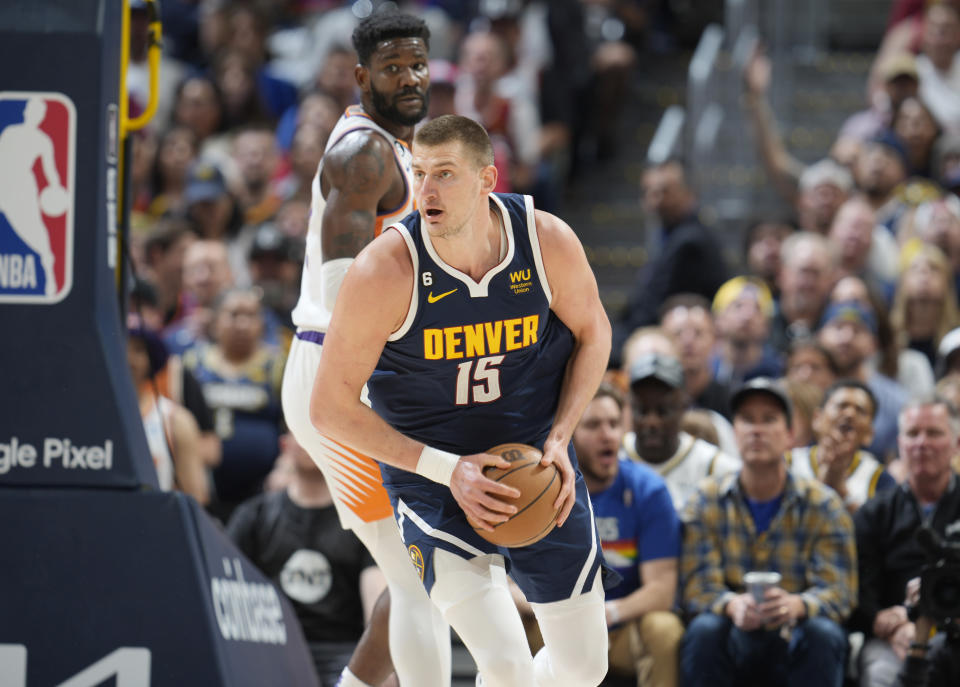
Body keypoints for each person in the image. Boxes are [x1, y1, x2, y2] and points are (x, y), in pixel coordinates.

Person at [311, 114, 612, 686]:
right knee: (504, 662)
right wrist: (449, 472)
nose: (425, 192)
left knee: (585, 669)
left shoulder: (545, 240)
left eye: (444, 174)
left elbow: (595, 333)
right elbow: (328, 407)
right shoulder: (385, 271)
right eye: (419, 173)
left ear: (486, 179)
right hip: (433, 477)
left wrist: (560, 438)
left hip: (535, 463)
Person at [279, 11, 450, 687]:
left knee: (426, 570)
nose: (408, 79)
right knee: (417, 575)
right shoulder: (365, 154)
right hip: (340, 370)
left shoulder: (406, 148)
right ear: (361, 76)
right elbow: (343, 293)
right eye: (392, 68)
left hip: (365, 370)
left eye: (417, 65)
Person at [679, 377, 857, 687]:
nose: (756, 430)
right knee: (704, 629)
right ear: (735, 433)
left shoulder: (823, 505)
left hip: (796, 630)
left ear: (790, 435)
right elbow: (697, 586)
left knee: (823, 633)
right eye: (747, 420)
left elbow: (839, 591)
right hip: (731, 627)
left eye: (769, 420)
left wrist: (797, 605)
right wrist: (732, 605)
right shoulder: (705, 500)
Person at [227, 433, 387, 686]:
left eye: (316, 432)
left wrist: (382, 667)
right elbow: (226, 589)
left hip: (342, 653)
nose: (307, 441)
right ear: (284, 444)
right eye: (300, 432)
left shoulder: (362, 523)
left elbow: (376, 606)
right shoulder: (254, 516)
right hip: (271, 647)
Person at [575, 382, 684, 687]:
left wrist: (606, 613)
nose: (607, 434)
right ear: (569, 433)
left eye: (613, 424)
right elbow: (507, 581)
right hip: (560, 623)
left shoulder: (649, 490)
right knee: (517, 624)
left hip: (622, 623)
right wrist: (559, 614)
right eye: (593, 425)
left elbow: (662, 589)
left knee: (664, 629)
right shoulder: (546, 491)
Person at [852, 395, 960, 687]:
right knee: (880, 676)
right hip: (891, 638)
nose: (921, 443)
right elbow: (858, 589)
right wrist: (882, 620)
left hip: (955, 632)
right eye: (913, 433)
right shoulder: (875, 512)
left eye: (934, 433)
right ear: (899, 444)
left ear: (956, 443)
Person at [621, 352, 740, 512]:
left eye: (663, 411)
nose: (652, 422)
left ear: (684, 407)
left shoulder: (712, 464)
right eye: (642, 411)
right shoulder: (614, 456)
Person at [788, 379, 896, 512]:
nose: (849, 414)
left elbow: (877, 532)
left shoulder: (880, 479)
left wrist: (841, 491)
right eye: (841, 406)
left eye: (860, 410)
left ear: (869, 434)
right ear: (817, 419)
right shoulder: (787, 462)